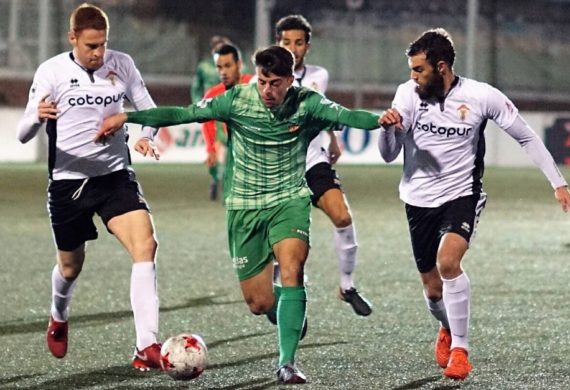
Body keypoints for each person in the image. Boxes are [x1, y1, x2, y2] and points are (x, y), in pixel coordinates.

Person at [97, 45, 382, 385]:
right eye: (262, 81)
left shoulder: (308, 102)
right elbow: (181, 114)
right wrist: (128, 116)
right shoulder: (236, 100)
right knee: (258, 302)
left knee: (292, 269)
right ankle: (285, 310)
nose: (268, 90)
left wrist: (383, 119)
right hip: (245, 208)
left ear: (291, 80)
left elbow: (351, 117)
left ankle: (287, 363)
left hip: (288, 201)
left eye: (276, 83)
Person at [378, 28, 570, 380]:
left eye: (419, 70)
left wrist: (558, 182)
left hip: (461, 194)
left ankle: (461, 351)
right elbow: (389, 155)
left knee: (448, 262)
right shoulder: (408, 94)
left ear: (441, 67)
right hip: (417, 199)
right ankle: (447, 328)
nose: (413, 77)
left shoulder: (481, 96)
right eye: (411, 70)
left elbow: (526, 136)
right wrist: (388, 129)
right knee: (433, 290)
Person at [17, 3, 163, 371]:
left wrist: (144, 135)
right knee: (70, 268)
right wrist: (37, 115)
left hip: (114, 178)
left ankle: (146, 345)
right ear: (73, 39)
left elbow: (150, 110)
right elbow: (22, 134)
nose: (99, 54)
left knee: (146, 245)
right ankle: (58, 313)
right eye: (91, 46)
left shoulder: (122, 64)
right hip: (68, 185)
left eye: (103, 45)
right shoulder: (51, 71)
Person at [274, 14, 372, 316]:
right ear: (278, 43)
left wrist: (332, 138)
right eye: (287, 42)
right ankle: (288, 300)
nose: (293, 48)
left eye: (299, 42)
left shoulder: (319, 75)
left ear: (308, 45)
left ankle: (347, 286)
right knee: (288, 242)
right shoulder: (263, 77)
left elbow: (318, 107)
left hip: (314, 161)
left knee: (342, 217)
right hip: (280, 167)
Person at [201, 43, 252, 201]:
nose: (223, 72)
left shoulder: (255, 85)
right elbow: (207, 122)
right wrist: (210, 149)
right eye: (219, 67)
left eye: (228, 66)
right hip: (230, 141)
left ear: (239, 65)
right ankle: (217, 180)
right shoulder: (213, 94)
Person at [191, 35, 231, 200]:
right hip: (209, 111)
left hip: (227, 110)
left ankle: (227, 182)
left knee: (228, 145)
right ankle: (215, 178)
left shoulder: (235, 67)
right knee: (213, 148)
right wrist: (197, 106)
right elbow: (196, 87)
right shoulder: (204, 67)